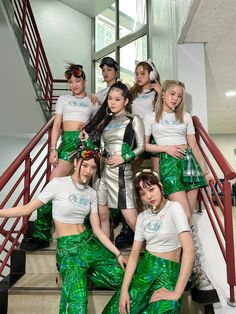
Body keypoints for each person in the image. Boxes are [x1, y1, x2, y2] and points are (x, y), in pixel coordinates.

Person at [0, 147, 126, 314]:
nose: (88, 171)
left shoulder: (91, 193)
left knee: (126, 279)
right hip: (69, 250)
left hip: (89, 243)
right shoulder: (58, 184)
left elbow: (96, 229)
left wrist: (117, 253)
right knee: (78, 304)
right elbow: (27, 208)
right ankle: (78, 275)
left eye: (93, 167)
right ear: (75, 163)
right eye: (85, 165)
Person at [143, 80, 219, 303]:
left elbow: (194, 146)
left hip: (189, 165)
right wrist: (166, 148)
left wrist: (205, 172)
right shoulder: (151, 118)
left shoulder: (185, 118)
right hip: (168, 164)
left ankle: (189, 270)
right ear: (163, 94)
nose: (176, 99)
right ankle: (196, 272)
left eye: (180, 96)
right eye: (172, 94)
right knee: (183, 216)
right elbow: (145, 146)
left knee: (188, 218)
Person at [20, 63, 99, 251]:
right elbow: (56, 126)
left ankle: (86, 233)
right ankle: (41, 234)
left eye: (77, 81)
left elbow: (99, 125)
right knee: (51, 185)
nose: (74, 85)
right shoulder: (63, 99)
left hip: (85, 143)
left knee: (84, 187)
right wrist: (53, 149)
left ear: (84, 81)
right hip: (68, 143)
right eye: (70, 82)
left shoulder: (93, 100)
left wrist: (89, 129)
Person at [102, 169, 195, 314]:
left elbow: (189, 251)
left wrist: (177, 293)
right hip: (144, 271)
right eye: (143, 194)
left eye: (151, 189)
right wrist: (124, 290)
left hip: (167, 272)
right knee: (114, 310)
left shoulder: (174, 208)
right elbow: (133, 256)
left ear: (160, 186)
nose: (149, 196)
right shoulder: (142, 217)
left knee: (164, 310)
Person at [81, 81, 145, 239]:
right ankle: (108, 256)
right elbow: (102, 149)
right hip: (102, 173)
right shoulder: (107, 121)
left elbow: (142, 147)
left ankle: (156, 252)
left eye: (117, 99)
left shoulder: (133, 119)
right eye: (110, 98)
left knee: (131, 219)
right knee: (102, 214)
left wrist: (124, 158)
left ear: (126, 101)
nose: (112, 102)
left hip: (121, 173)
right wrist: (87, 141)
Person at [115, 59, 161, 250]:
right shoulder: (131, 93)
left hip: (153, 138)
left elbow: (163, 112)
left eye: (143, 73)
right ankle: (129, 225)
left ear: (151, 74)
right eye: (137, 73)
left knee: (158, 179)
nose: (139, 77)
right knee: (127, 180)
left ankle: (159, 218)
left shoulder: (158, 92)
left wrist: (160, 92)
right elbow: (114, 101)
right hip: (135, 139)